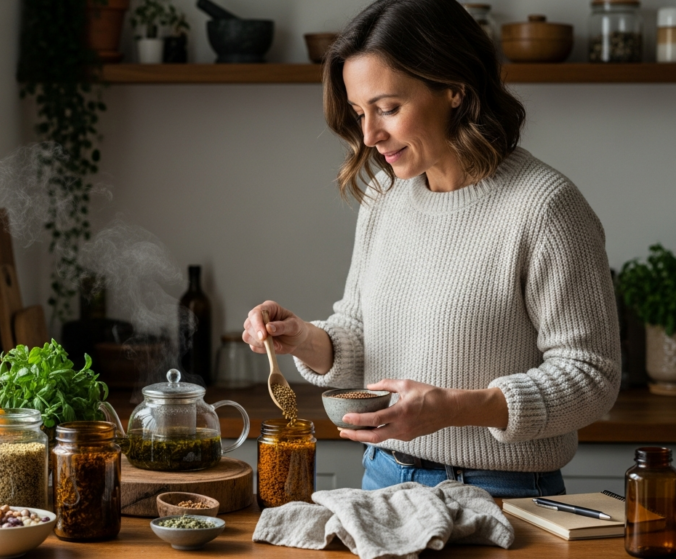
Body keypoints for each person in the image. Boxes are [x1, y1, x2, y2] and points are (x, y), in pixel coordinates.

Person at [242, 0, 620, 498]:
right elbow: (360, 332)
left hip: (501, 492)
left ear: (454, 89)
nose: (370, 135)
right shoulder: (385, 197)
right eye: (360, 113)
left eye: (388, 108)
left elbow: (591, 377)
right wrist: (306, 339)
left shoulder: (545, 207)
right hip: (381, 479)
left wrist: (457, 408)